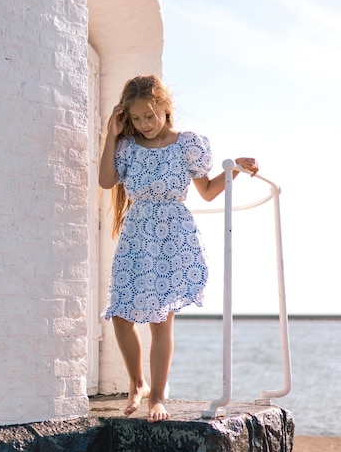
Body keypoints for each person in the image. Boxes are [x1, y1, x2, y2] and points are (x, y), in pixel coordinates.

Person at [98, 75, 258, 423]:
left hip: (174, 237)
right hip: (137, 235)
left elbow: (208, 191)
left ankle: (157, 395)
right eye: (136, 118)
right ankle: (137, 382)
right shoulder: (126, 148)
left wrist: (236, 170)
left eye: (150, 116)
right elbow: (107, 180)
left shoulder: (188, 145)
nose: (144, 124)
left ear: (165, 109)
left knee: (161, 321)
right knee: (121, 316)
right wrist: (111, 135)